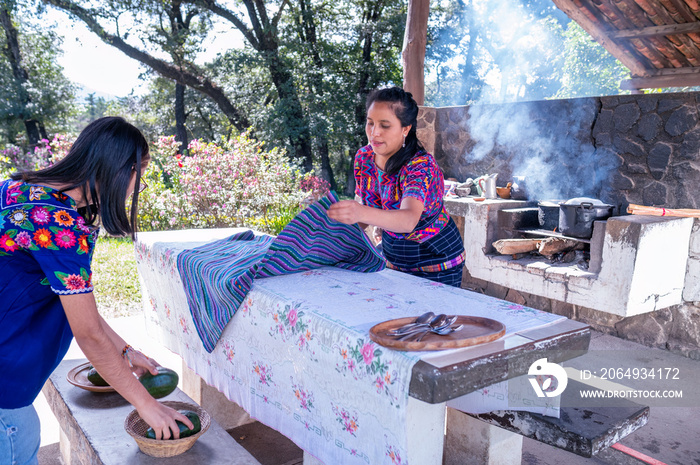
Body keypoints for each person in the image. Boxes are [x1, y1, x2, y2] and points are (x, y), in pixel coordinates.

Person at [0, 117, 192, 465]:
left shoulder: (17, 190)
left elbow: (78, 308)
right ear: (122, 170)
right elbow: (87, 333)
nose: (138, 186)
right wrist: (147, 405)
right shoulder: (60, 224)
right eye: (140, 173)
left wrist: (126, 350)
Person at [328, 87, 465, 287]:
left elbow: (408, 219)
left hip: (436, 260)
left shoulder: (420, 166)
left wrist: (359, 212)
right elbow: (365, 215)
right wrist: (330, 233)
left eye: (385, 125)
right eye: (370, 123)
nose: (374, 133)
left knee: (429, 318)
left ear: (405, 128)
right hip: (394, 256)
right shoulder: (364, 158)